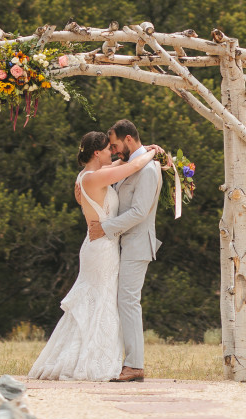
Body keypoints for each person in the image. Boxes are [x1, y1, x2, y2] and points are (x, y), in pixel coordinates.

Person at [27, 130, 162, 381]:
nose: (113, 153)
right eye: (108, 149)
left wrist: (140, 154)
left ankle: (92, 356)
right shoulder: (96, 178)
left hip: (100, 245)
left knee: (101, 301)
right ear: (97, 153)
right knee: (101, 302)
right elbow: (133, 165)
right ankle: (91, 360)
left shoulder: (86, 177)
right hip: (102, 248)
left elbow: (124, 164)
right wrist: (153, 152)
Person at [98, 119, 163, 382]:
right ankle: (121, 360)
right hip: (123, 244)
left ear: (128, 138)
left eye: (114, 145)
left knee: (128, 301)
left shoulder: (148, 170)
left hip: (137, 244)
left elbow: (139, 211)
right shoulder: (132, 164)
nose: (112, 151)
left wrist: (105, 228)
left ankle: (135, 364)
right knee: (121, 301)